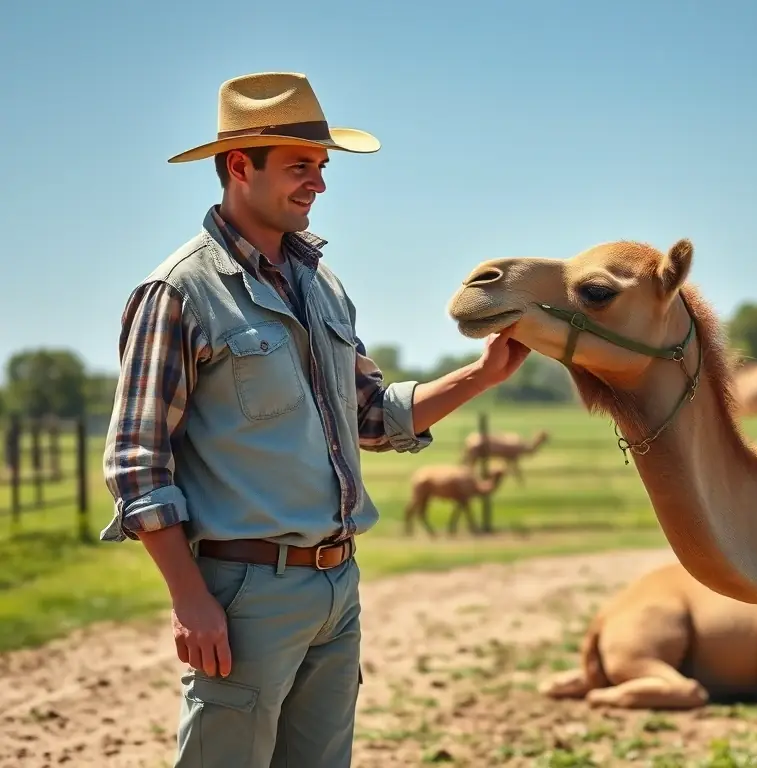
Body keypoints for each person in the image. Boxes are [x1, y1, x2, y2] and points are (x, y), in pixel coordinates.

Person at [100, 71, 529, 768]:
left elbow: (369, 415)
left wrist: (481, 375)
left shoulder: (322, 284)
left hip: (338, 587)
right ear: (241, 166)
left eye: (322, 168)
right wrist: (190, 599)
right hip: (243, 596)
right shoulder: (178, 291)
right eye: (302, 167)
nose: (319, 184)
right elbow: (137, 462)